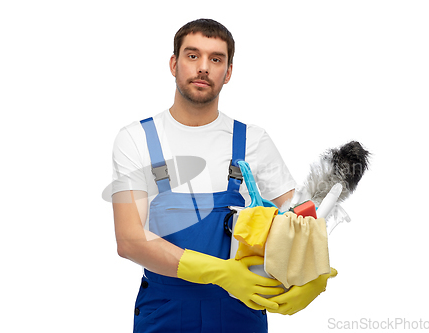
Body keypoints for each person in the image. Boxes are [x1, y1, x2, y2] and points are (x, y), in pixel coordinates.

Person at [111, 18, 335, 333]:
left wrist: (314, 274)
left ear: (228, 72)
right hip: (164, 312)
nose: (203, 67)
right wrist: (221, 273)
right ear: (174, 63)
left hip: (240, 311)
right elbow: (130, 239)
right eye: (192, 56)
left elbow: (299, 220)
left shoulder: (253, 140)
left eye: (216, 59)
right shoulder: (136, 139)